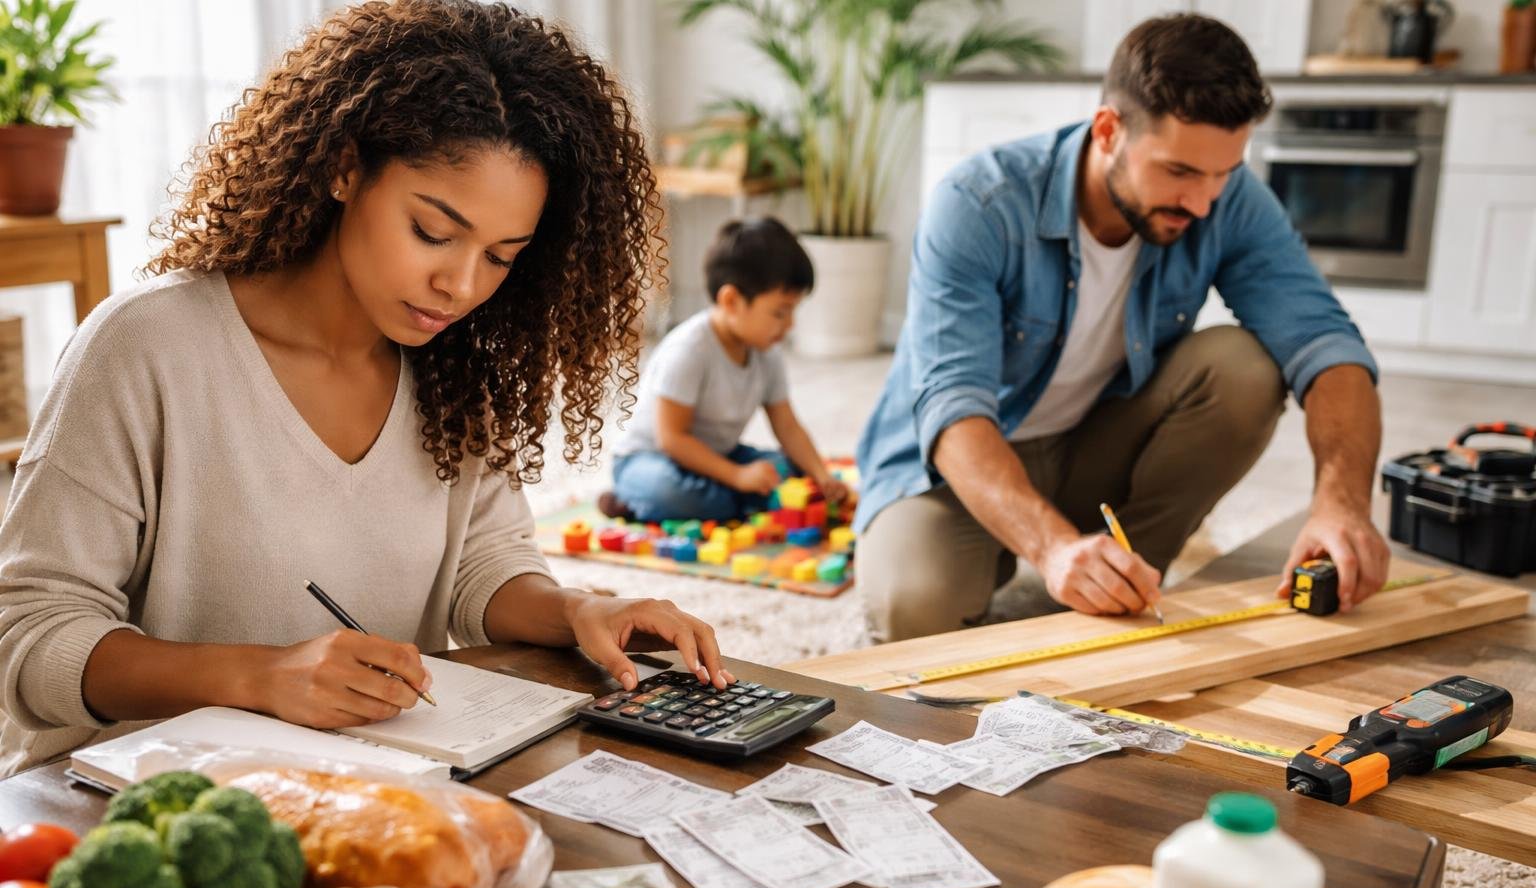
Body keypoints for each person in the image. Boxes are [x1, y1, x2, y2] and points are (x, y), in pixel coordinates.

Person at [0, 0, 734, 777]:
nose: (459, 285)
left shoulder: (452, 374)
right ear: (345, 167)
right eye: (433, 232)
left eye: (501, 256)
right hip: (150, 810)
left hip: (371, 789)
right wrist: (259, 678)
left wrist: (581, 610)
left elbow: (483, 568)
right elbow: (31, 636)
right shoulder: (145, 348)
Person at [855, 14, 1392, 643]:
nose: (1203, 202)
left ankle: (1125, 573)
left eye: (1223, 174)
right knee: (911, 611)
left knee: (1245, 365)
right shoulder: (979, 204)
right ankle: (1062, 562)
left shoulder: (1224, 197)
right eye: (1180, 173)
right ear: (1109, 130)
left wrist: (1342, 502)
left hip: (1091, 443)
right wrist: (1052, 547)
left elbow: (1328, 345)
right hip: (957, 468)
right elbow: (952, 409)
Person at [601, 217, 849, 523]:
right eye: (779, 313)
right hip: (652, 459)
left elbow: (787, 426)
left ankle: (727, 497)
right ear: (731, 301)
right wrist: (738, 476)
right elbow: (672, 439)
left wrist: (821, 475)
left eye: (793, 312)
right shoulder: (689, 350)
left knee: (787, 469)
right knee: (672, 493)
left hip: (718, 456)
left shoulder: (766, 351)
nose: (790, 325)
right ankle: (632, 499)